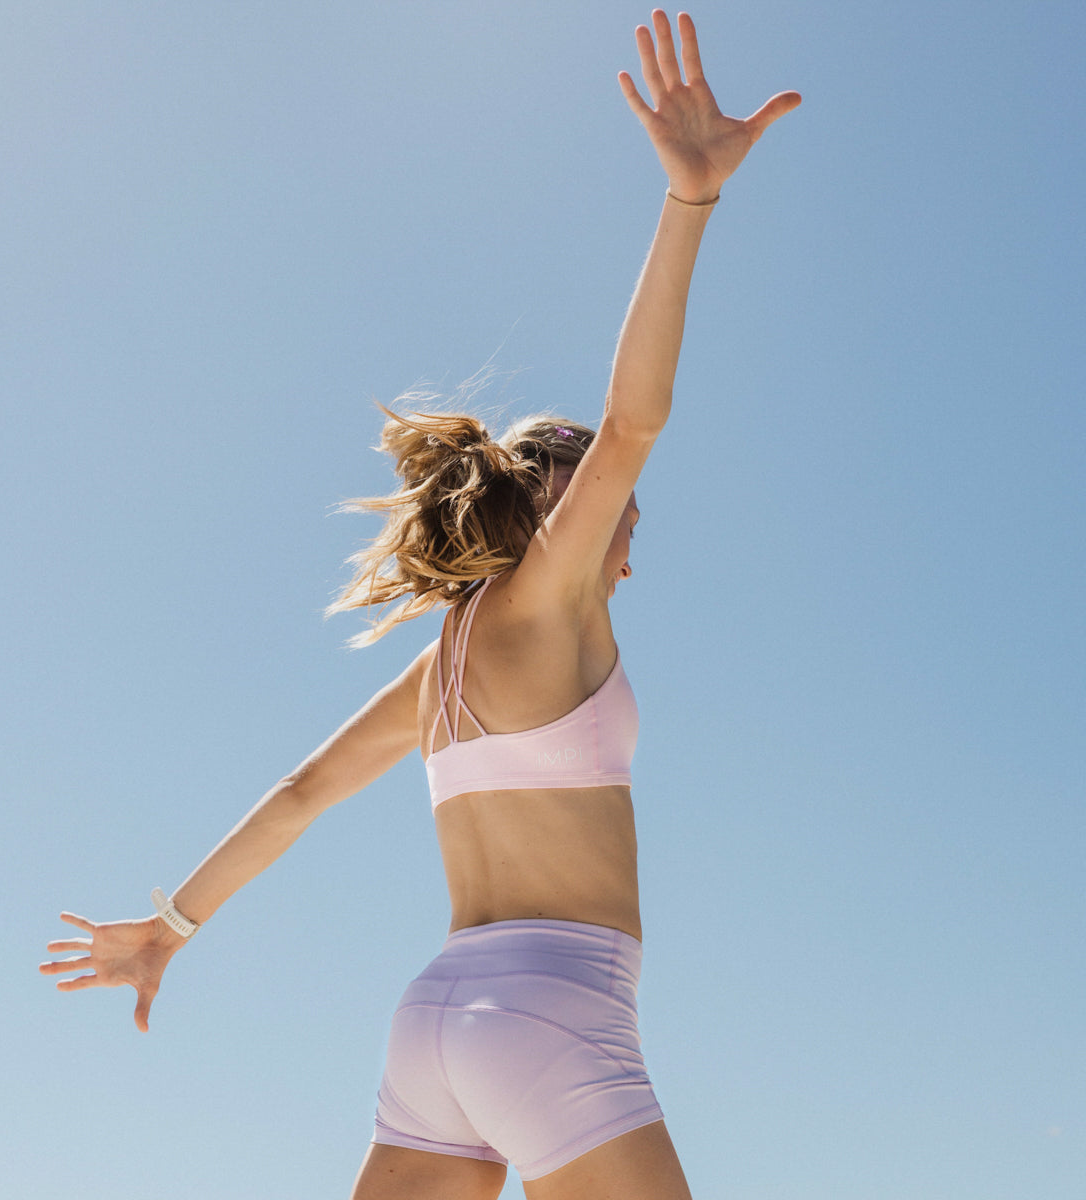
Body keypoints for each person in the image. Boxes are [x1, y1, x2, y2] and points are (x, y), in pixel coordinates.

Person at [40, 12, 799, 1198]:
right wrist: (689, 202)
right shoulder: (549, 597)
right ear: (570, 517)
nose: (628, 559)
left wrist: (172, 930)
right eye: (624, 527)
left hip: (436, 1018)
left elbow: (302, 795)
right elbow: (637, 418)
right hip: (556, 1011)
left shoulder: (442, 670)